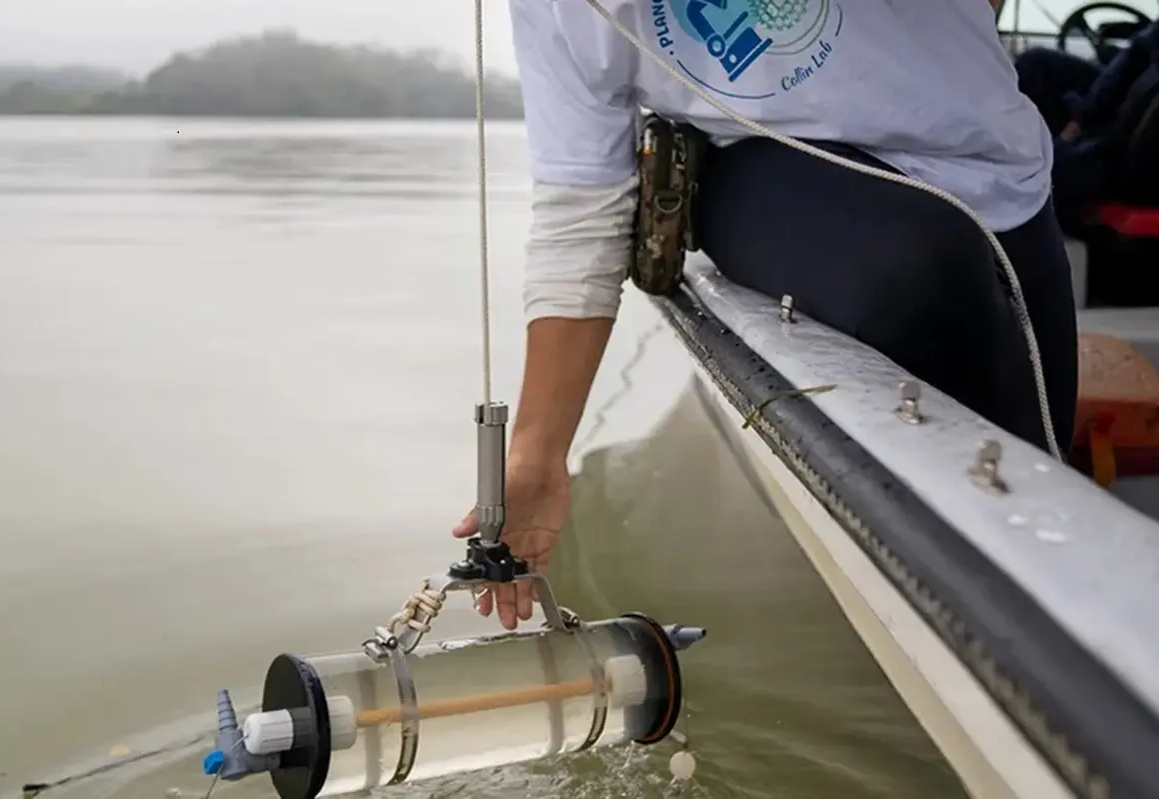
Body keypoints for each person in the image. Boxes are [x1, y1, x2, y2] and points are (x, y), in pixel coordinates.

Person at [456, 0, 1079, 630]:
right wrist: (538, 451)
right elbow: (582, 209)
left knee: (1049, 480)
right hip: (771, 170)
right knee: (920, 266)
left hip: (996, 173)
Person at [1015, 21, 1159, 230]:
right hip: (1128, 102)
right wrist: (1084, 115)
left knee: (1023, 176)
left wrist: (1083, 123)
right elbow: (1135, 54)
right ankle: (1038, 149)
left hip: (1129, 150)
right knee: (1034, 64)